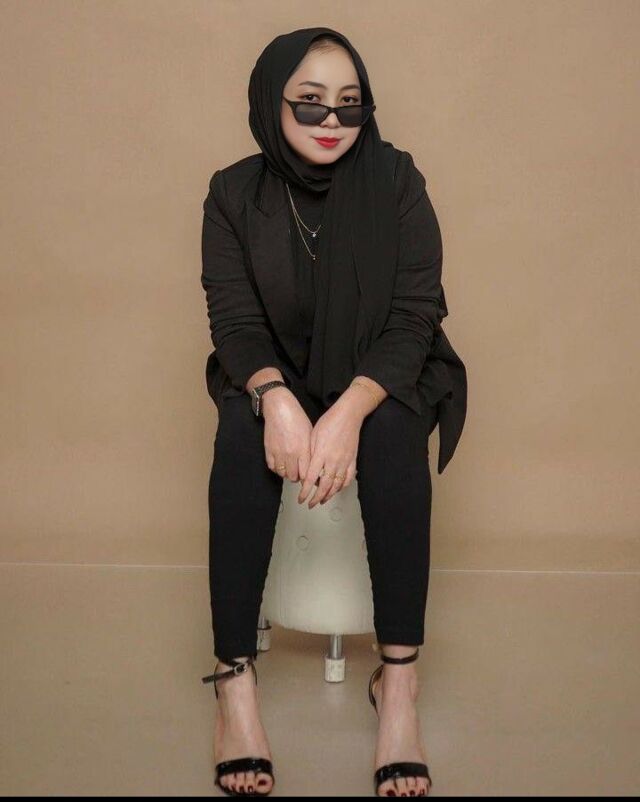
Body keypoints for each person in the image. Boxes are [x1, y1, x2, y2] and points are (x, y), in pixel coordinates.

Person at [199, 27, 467, 797]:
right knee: (240, 429)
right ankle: (234, 683)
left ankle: (398, 683)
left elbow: (415, 313)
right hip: (275, 369)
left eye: (350, 104)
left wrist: (350, 407)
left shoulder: (396, 179)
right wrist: (275, 397)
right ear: (271, 100)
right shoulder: (233, 193)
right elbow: (234, 321)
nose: (331, 121)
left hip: (382, 369)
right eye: (309, 101)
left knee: (393, 434)